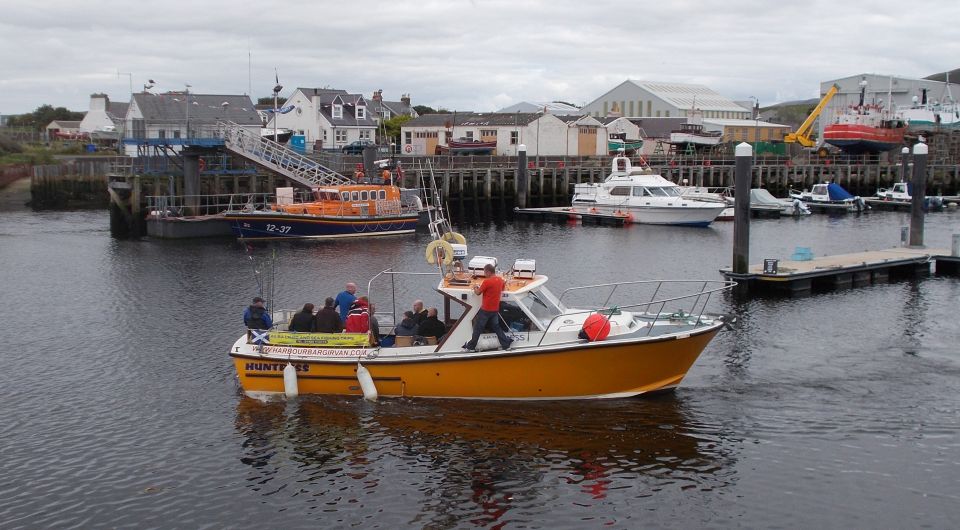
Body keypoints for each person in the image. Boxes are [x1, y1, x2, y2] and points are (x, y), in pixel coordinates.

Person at [463, 264, 512, 351]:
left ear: (488, 272)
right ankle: (506, 345)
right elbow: (502, 288)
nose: (485, 274)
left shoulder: (487, 282)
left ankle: (471, 347)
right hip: (495, 309)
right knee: (496, 327)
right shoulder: (500, 280)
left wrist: (475, 287)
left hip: (485, 310)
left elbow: (478, 293)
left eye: (485, 272)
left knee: (478, 328)